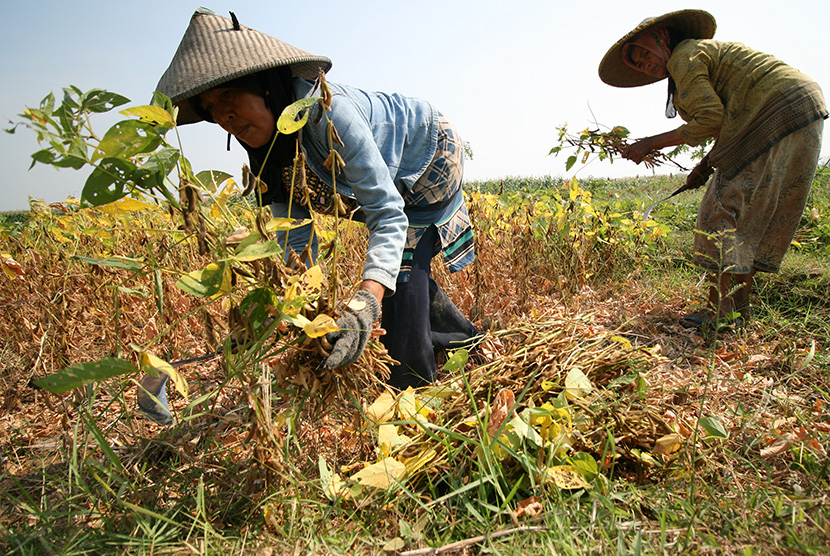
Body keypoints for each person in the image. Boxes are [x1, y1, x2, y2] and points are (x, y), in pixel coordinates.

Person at [146, 8, 480, 412]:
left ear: (267, 86)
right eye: (210, 106)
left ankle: (417, 400)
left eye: (229, 96)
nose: (222, 116)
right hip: (382, 184)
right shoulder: (270, 156)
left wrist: (365, 301)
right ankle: (464, 340)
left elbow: (388, 214)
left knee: (400, 308)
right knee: (402, 279)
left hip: (427, 155)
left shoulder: (328, 113)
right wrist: (273, 317)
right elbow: (296, 250)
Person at [598, 9, 828, 330]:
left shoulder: (684, 56)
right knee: (746, 221)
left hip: (771, 113)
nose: (646, 65)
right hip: (803, 111)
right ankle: (736, 313)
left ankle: (718, 311)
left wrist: (649, 143)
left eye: (646, 54)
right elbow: (727, 125)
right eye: (638, 63)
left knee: (717, 218)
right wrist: (704, 167)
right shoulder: (695, 57)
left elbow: (709, 119)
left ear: (662, 42)